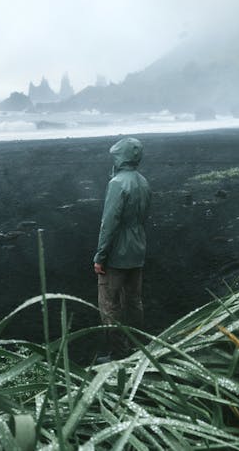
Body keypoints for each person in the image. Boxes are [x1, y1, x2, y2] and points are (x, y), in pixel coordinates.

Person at [93, 137, 151, 361]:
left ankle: (119, 353)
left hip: (117, 254)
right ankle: (139, 348)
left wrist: (100, 256)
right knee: (134, 301)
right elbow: (143, 217)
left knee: (109, 305)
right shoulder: (143, 182)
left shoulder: (117, 183)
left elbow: (109, 223)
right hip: (137, 249)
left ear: (119, 157)